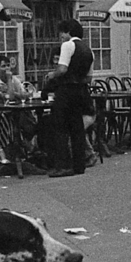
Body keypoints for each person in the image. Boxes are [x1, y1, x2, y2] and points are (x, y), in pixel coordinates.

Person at [39, 18, 93, 178]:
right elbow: (89, 77)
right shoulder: (88, 49)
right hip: (81, 91)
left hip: (66, 91)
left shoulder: (68, 45)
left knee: (61, 128)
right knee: (77, 128)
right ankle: (79, 165)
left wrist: (52, 75)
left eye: (62, 33)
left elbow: (62, 69)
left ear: (68, 32)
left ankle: (63, 165)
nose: (60, 37)